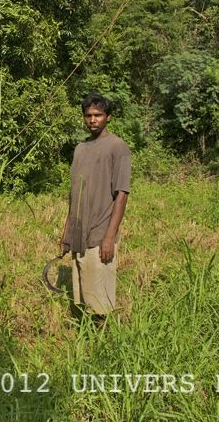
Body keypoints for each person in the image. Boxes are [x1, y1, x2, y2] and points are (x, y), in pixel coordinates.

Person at [60, 92, 131, 318]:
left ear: (108, 117)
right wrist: (67, 232)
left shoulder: (117, 147)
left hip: (100, 232)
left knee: (101, 302)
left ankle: (105, 344)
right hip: (80, 232)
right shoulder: (80, 149)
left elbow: (121, 193)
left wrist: (109, 237)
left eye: (98, 115)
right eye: (88, 115)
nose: (93, 120)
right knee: (83, 296)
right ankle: (87, 341)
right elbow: (75, 195)